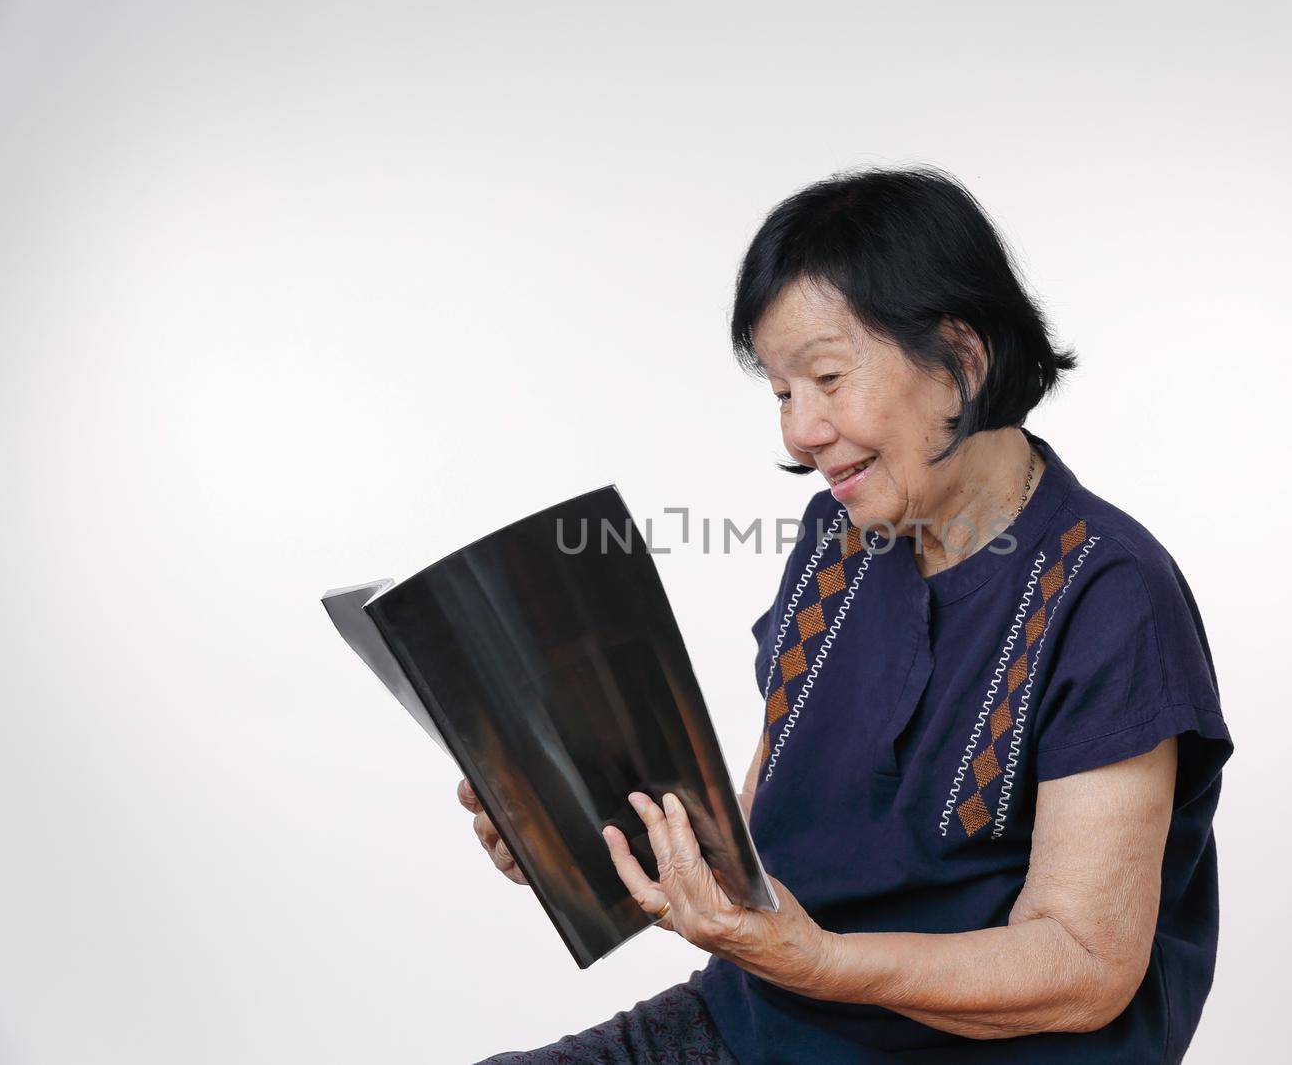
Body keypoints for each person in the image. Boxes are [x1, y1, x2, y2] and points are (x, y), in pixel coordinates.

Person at [465, 165, 1233, 1064]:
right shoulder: (839, 536)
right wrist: (580, 838)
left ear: (961, 361)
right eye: (784, 393)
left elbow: (1085, 962)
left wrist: (821, 960)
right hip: (763, 1025)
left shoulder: (1110, 591)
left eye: (827, 377)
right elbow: (754, 838)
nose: (799, 431)